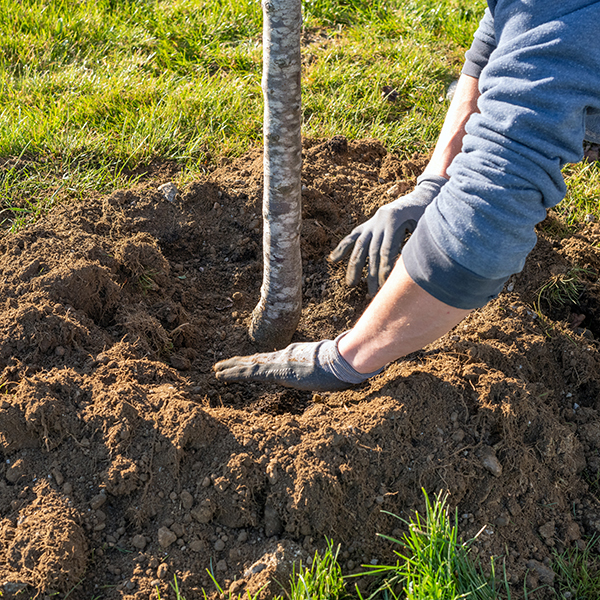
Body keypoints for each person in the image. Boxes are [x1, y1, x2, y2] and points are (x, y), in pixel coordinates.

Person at [214, 0, 600, 391]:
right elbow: (502, 34)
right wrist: (435, 184)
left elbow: (495, 204)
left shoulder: (569, 25)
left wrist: (348, 358)